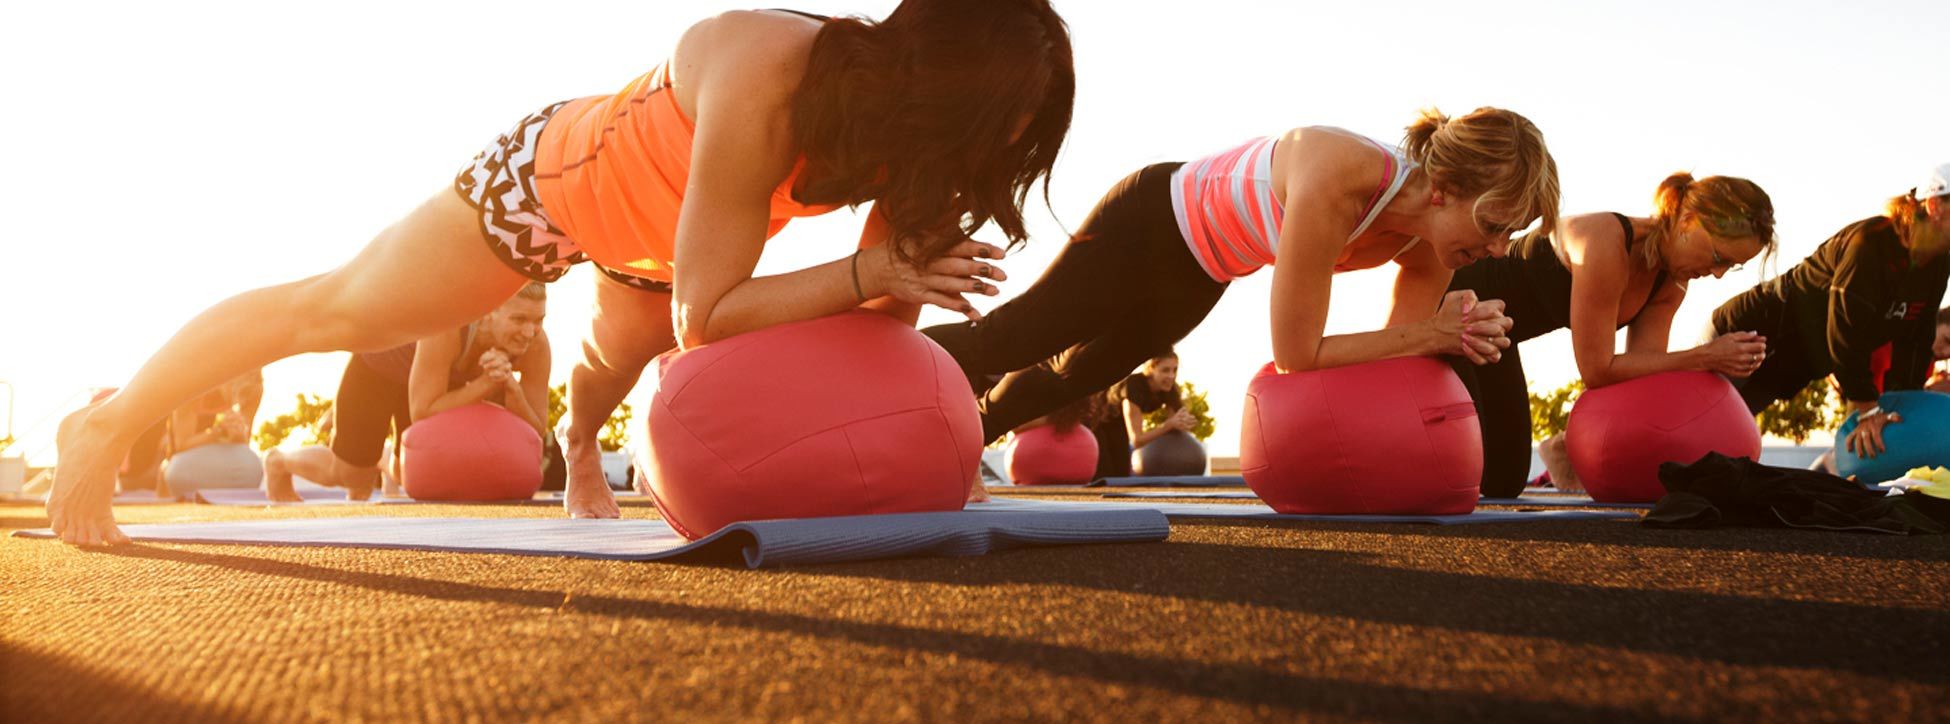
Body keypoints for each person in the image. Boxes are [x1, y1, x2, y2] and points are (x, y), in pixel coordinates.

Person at [50, 1, 1077, 545]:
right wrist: (870, 273)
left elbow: (875, 312)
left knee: (614, 364)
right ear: (940, 85)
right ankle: (110, 421)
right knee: (334, 307)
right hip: (544, 189)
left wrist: (898, 271)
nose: (1002, 157)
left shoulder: (918, 141)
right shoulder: (769, 67)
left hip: (662, 242)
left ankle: (581, 439)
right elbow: (710, 314)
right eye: (1001, 130)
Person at [924, 108, 1558, 444]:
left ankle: (960, 439)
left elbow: (1390, 365)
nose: (1500, 249)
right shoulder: (1341, 174)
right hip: (1150, 219)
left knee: (1074, 374)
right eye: (1496, 225)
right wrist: (1433, 334)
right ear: (1445, 189)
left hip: (1204, 271)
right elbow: (1296, 356)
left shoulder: (1426, 251)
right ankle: (876, 363)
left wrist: (1451, 339)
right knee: (1013, 341)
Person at [1450, 174, 1778, 496]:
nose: (1718, 274)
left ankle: (1562, 446)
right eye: (1719, 256)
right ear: (1688, 221)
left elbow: (1640, 370)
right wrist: (1704, 356)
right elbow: (1597, 370)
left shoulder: (1671, 283)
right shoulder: (1606, 242)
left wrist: (1712, 364)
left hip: (1497, 339)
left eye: (1731, 266)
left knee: (1503, 483)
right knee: (1458, 473)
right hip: (1454, 311)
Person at [1708, 163, 1950, 463]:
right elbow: (1845, 331)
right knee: (1701, 433)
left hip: (1786, 367)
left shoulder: (1938, 263)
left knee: (1724, 447)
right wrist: (1868, 409)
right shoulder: (1872, 242)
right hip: (1745, 334)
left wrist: (1902, 407)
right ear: (1934, 205)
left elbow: (1916, 336)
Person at [263, 284, 552, 501]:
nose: (529, 331)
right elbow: (423, 410)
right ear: (490, 312)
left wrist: (512, 390)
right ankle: (279, 461)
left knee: (409, 474)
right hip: (379, 367)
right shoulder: (449, 326)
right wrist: (485, 385)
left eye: (538, 320)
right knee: (351, 475)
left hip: (431, 380)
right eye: (519, 320)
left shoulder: (536, 347)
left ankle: (383, 455)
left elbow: (537, 427)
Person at [157, 371, 265, 499]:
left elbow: (244, 444)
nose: (242, 400)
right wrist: (218, 432)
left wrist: (237, 435)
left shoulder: (254, 390)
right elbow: (180, 446)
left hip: (224, 462)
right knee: (176, 470)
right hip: (184, 462)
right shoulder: (192, 389)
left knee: (252, 465)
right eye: (237, 391)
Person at [1090, 352, 1193, 479]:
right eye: (1165, 370)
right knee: (1105, 474)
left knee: (1121, 475)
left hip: (1119, 425)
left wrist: (1183, 422)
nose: (1171, 376)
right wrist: (1169, 424)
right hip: (1096, 422)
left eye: (1174, 370)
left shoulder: (1170, 388)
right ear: (1150, 369)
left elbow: (1178, 420)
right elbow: (1137, 440)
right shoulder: (1133, 386)